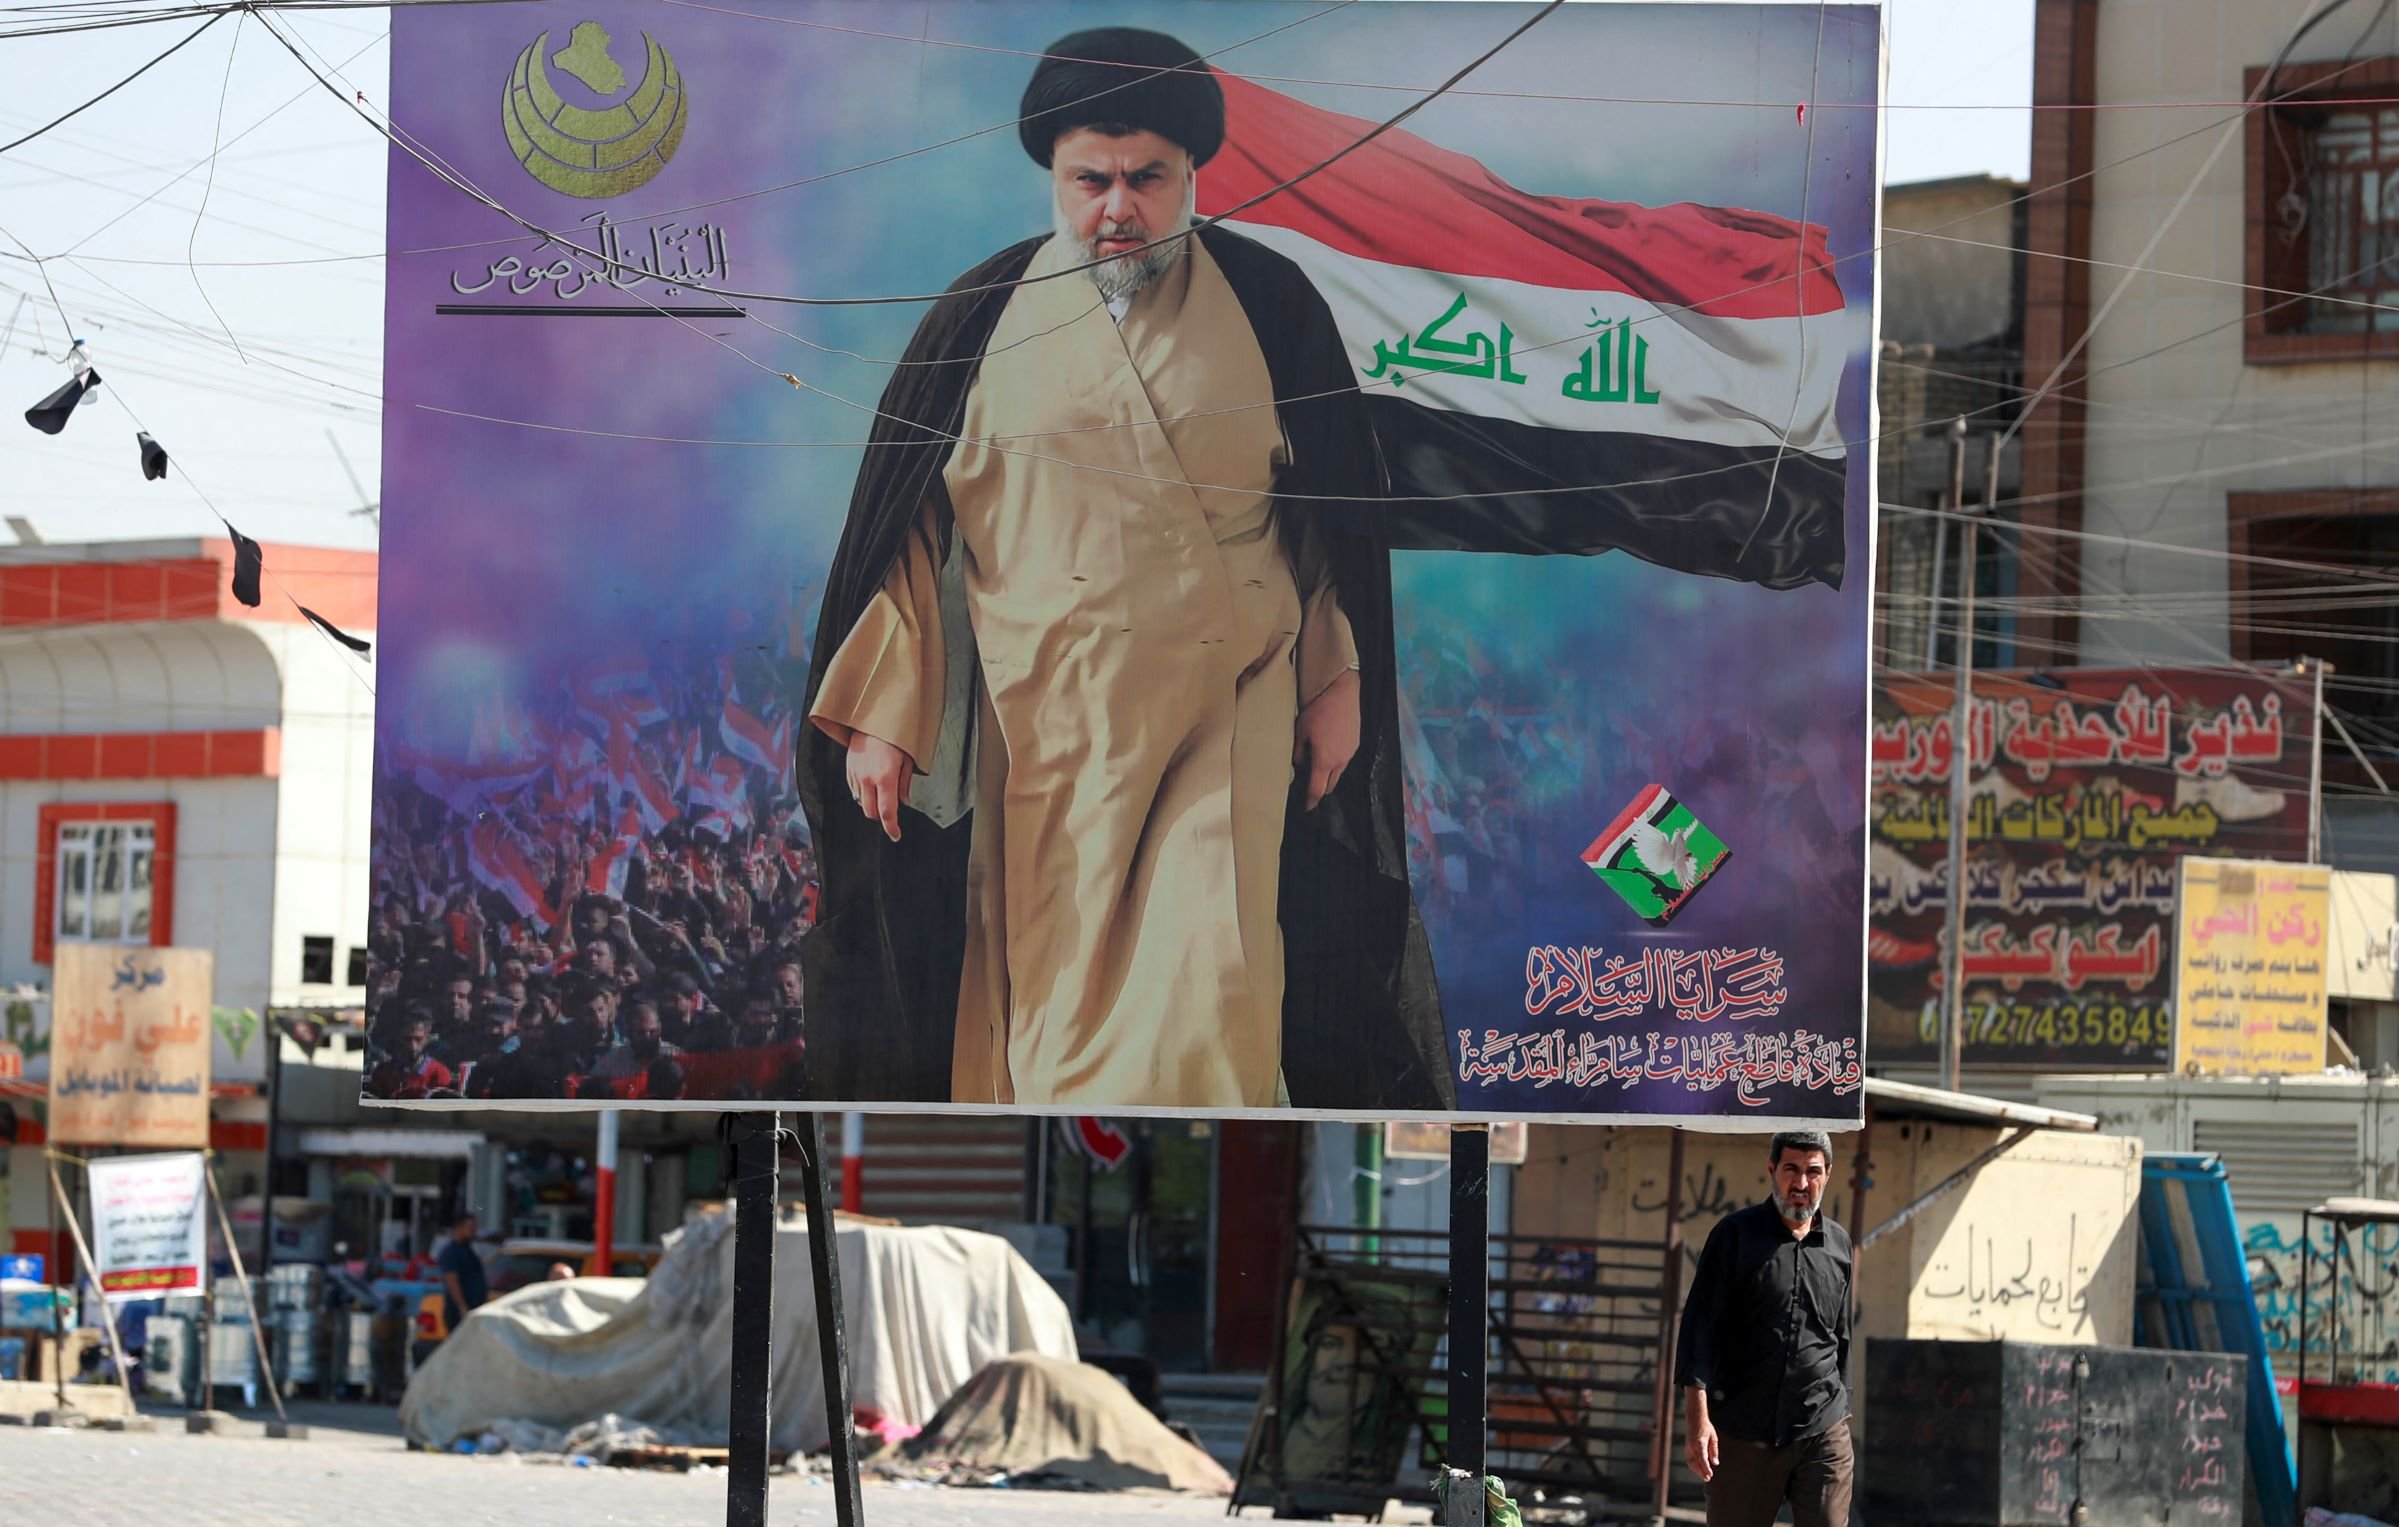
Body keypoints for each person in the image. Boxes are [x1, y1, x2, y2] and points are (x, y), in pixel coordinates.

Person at [801, 26, 1450, 1112]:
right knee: (1051, 1027)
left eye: (1146, 178)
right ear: (1053, 177)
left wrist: (1338, 677)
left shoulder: (1272, 303)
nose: (1119, 207)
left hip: (1229, 703)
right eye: (1091, 180)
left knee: (1211, 995)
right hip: (1050, 727)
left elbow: (1327, 515)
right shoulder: (979, 314)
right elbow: (909, 526)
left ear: (1190, 175)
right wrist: (883, 709)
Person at [1675, 1130, 1855, 1527]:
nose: (1802, 1183)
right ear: (1772, 1170)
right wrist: (1697, 1420)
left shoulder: (1839, 1246)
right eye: (1792, 1169)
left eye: (1813, 1172)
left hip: (1820, 1427)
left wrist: (1841, 1411)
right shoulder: (1735, 1236)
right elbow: (1699, 1329)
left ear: (1827, 1175)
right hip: (1743, 1430)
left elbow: (1840, 1339)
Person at [436, 1214, 489, 1333]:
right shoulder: (451, 1252)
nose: (474, 1231)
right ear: (459, 1227)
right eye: (470, 1227)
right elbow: (452, 1281)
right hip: (459, 1313)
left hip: (474, 1310)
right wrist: (462, 1307)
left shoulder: (468, 1251)